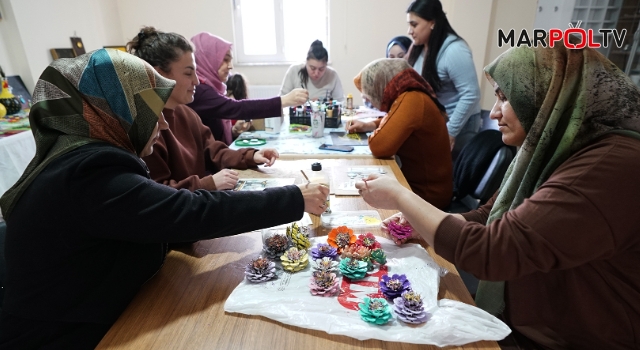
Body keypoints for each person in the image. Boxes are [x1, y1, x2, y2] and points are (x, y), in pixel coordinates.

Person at [0, 49, 329, 348]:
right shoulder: (89, 173)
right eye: (150, 110)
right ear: (115, 110)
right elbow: (188, 212)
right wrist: (295, 198)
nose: (162, 122)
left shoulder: (86, 158)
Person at [355, 42, 640, 349]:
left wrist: (401, 198)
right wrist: (420, 222)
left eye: (505, 98)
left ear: (552, 96)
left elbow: (491, 251)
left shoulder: (607, 166)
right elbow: (490, 215)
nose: (493, 113)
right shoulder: (552, 148)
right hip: (533, 322)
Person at [127, 27, 277, 191]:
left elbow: (214, 152)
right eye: (188, 73)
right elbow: (156, 193)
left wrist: (251, 156)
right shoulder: (144, 127)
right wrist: (207, 184)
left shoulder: (186, 113)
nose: (197, 81)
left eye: (196, 73)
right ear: (159, 75)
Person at [346, 58, 452, 209]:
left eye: (370, 95)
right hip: (421, 188)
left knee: (359, 202)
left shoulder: (412, 99)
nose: (370, 101)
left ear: (382, 86)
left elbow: (379, 146)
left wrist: (376, 129)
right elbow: (396, 119)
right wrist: (369, 125)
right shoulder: (412, 96)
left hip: (427, 198)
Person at [188, 32, 308, 145]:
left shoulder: (212, 88)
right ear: (208, 59)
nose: (230, 66)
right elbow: (235, 107)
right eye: (225, 60)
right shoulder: (200, 91)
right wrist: (284, 100)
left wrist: (233, 131)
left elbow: (215, 133)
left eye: (230, 60)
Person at [406, 0, 481, 160]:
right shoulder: (419, 47)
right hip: (438, 123)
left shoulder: (455, 50)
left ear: (432, 23)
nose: (409, 31)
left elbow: (471, 94)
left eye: (414, 24)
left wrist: (450, 132)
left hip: (459, 126)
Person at [280, 40, 345, 102]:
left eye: (321, 69)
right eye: (313, 68)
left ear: (326, 65)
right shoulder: (294, 71)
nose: (316, 73)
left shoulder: (332, 75)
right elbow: (282, 99)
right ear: (306, 62)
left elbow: (341, 101)